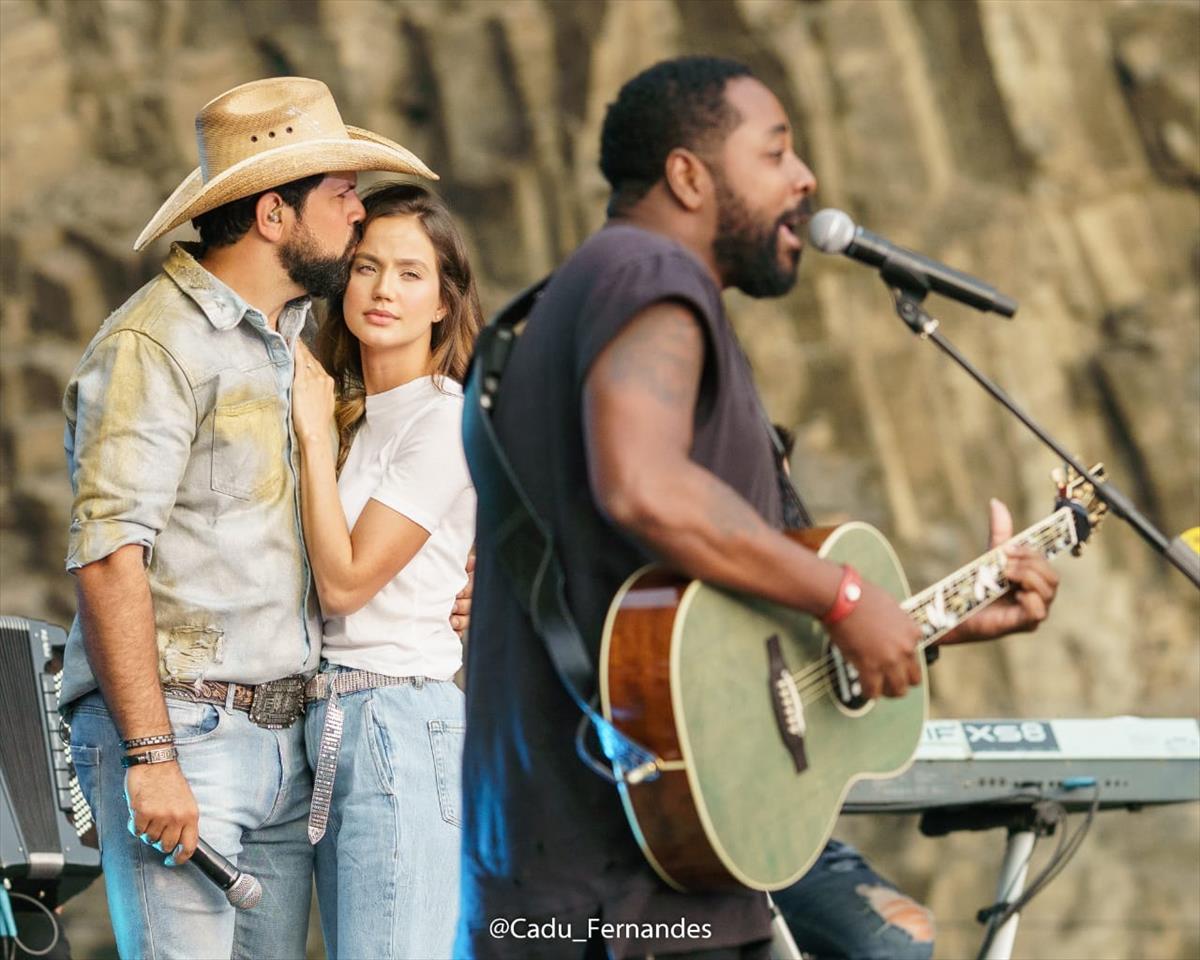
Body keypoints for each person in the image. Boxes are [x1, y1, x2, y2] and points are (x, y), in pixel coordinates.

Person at [457, 56, 1059, 960]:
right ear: (688, 174)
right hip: (614, 897)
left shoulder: (621, 291)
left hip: (629, 881)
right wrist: (848, 599)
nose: (805, 178)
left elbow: (734, 644)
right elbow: (646, 487)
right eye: (775, 152)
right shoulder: (647, 269)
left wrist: (935, 622)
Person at [59, 76, 437, 958]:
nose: (357, 214)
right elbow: (107, 556)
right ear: (274, 215)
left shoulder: (295, 335)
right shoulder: (153, 344)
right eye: (340, 194)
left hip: (288, 743)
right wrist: (151, 757)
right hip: (186, 737)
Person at [289, 182, 481, 959]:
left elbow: (344, 584)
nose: (382, 291)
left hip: (399, 721)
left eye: (410, 274)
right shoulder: (363, 416)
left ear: (443, 301)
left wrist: (306, 435)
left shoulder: (439, 418)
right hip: (339, 722)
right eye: (366, 268)